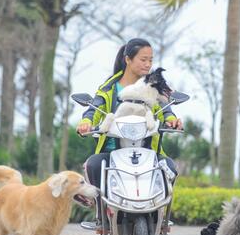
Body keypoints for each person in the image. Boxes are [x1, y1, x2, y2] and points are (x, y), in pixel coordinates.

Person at [76, 38, 183, 222]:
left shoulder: (152, 87)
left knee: (170, 167)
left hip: (148, 150)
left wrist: (172, 120)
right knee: (93, 164)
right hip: (112, 151)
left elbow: (166, 110)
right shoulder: (108, 88)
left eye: (150, 60)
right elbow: (94, 109)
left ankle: (161, 216)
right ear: (128, 60)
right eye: (143, 59)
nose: (148, 64)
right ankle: (101, 215)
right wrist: (86, 122)